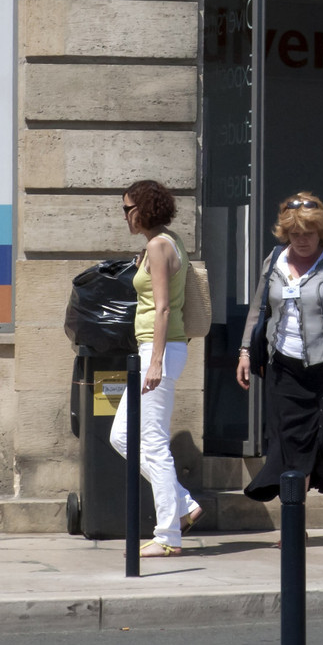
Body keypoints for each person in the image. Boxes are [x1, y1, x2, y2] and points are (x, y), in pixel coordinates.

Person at [235, 193, 323, 539]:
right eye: (295, 234)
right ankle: (293, 526)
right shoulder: (274, 262)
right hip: (286, 367)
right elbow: (257, 310)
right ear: (285, 234)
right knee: (292, 445)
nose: (302, 240)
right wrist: (244, 352)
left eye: (309, 233)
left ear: (322, 232)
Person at [109, 179, 201, 557]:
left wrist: (157, 362)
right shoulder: (164, 242)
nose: (125, 215)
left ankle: (168, 535)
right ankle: (182, 504)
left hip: (158, 350)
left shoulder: (159, 246)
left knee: (153, 442)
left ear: (144, 209)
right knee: (121, 436)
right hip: (155, 349)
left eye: (128, 208)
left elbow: (163, 307)